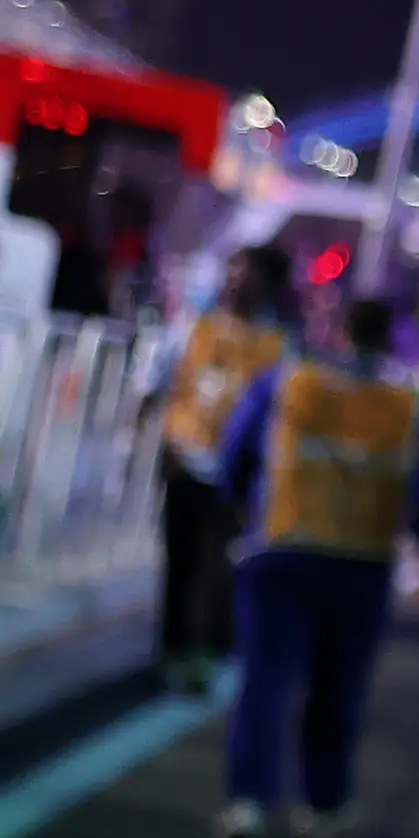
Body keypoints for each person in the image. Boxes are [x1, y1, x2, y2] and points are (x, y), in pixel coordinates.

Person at [211, 294, 419, 838]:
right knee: (338, 688)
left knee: (266, 682)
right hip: (360, 564)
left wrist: (238, 503)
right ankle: (323, 803)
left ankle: (248, 801)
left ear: (335, 331)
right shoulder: (407, 405)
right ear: (389, 340)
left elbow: (235, 452)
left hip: (282, 550)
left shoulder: (289, 382)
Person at [155, 245, 293, 692]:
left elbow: (281, 419)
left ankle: (202, 653)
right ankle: (171, 651)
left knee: (217, 569)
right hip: (184, 462)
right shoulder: (194, 326)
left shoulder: (279, 348)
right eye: (232, 270)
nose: (235, 280)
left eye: (247, 273)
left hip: (234, 477)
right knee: (179, 561)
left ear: (269, 284)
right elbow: (160, 380)